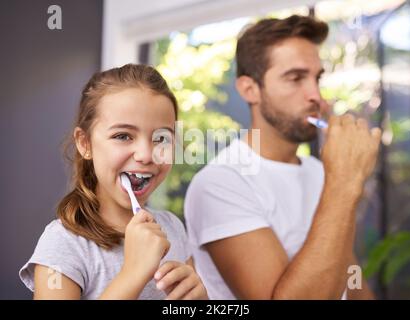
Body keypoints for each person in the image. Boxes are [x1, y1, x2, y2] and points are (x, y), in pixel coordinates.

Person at [184, 15, 381, 299]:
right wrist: (344, 181)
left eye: (317, 78)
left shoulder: (320, 171)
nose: (316, 95)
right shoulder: (221, 184)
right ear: (249, 89)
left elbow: (348, 273)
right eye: (295, 78)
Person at [20, 64, 208, 300]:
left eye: (161, 138)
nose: (146, 155)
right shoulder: (62, 246)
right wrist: (133, 274)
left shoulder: (173, 228)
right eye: (123, 136)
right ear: (85, 143)